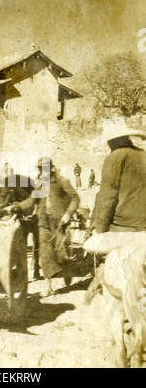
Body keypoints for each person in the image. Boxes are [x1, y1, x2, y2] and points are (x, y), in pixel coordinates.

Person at [85, 118, 146, 304]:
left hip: (122, 227)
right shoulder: (143, 155)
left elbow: (107, 197)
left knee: (97, 251)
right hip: (144, 226)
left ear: (111, 141)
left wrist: (99, 229)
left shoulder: (115, 157)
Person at [8, 157, 80, 297]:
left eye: (45, 169)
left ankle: (66, 271)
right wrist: (17, 206)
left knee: (61, 254)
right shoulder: (40, 184)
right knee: (44, 255)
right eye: (41, 170)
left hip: (60, 223)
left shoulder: (62, 182)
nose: (43, 172)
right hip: (43, 223)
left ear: (51, 169)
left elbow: (75, 198)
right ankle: (49, 287)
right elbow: (31, 200)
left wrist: (69, 214)